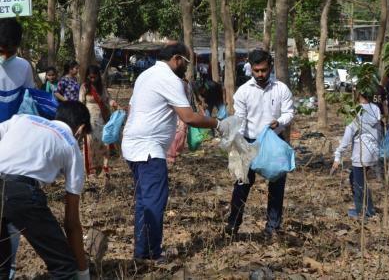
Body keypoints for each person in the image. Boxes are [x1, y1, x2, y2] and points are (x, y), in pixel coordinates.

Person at [122, 42, 227, 261]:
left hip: (133, 144)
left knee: (144, 201)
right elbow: (188, 117)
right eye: (186, 63)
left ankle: (143, 252)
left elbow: (131, 108)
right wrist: (218, 124)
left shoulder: (145, 75)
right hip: (148, 149)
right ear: (177, 58)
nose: (186, 69)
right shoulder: (169, 79)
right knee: (154, 201)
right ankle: (150, 254)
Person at [0, 101, 92, 279]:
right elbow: (72, 223)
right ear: (80, 129)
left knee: (2, 266)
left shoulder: (22, 119)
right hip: (22, 193)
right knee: (64, 267)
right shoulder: (71, 144)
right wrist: (83, 272)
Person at [224, 49, 294, 239]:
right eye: (256, 71)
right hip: (248, 141)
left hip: (275, 142)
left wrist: (279, 122)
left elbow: (289, 113)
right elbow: (240, 119)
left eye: (263, 70)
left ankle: (273, 227)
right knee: (241, 184)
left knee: (277, 186)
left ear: (270, 66)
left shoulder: (282, 89)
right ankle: (233, 225)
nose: (260, 74)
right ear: (251, 69)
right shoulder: (243, 92)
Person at [0, 17, 35, 280]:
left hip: (13, 150)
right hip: (14, 150)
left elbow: (29, 106)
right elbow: (29, 106)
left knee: (10, 211)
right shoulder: (23, 66)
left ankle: (8, 269)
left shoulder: (24, 67)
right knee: (9, 212)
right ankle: (7, 269)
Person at [331, 92, 382, 218]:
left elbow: (346, 138)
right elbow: (379, 132)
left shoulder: (355, 112)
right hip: (373, 152)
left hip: (361, 154)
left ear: (358, 94)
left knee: (359, 183)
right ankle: (367, 210)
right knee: (356, 178)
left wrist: (338, 156)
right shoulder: (375, 109)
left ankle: (364, 212)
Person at [79, 65, 116, 177]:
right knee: (90, 143)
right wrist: (82, 120)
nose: (93, 79)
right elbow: (81, 103)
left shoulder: (101, 87)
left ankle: (104, 167)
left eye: (95, 77)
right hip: (89, 118)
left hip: (102, 117)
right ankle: (91, 169)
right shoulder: (84, 87)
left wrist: (113, 103)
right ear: (87, 77)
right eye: (91, 77)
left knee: (104, 142)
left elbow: (107, 99)